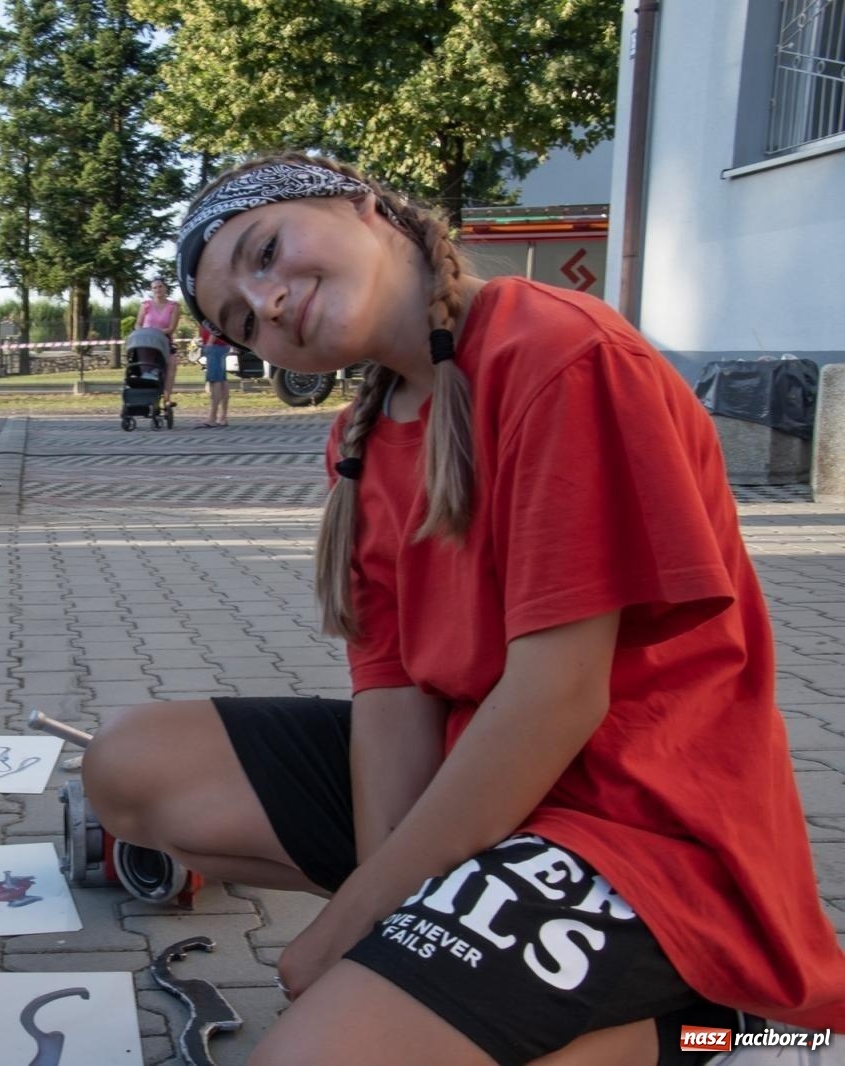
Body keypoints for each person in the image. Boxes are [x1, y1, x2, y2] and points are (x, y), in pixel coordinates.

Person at [83, 155, 845, 1065]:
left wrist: (361, 925)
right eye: (243, 321)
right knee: (130, 766)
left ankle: (727, 1027)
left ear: (368, 206)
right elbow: (394, 696)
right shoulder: (360, 439)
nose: (271, 305)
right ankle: (468, 967)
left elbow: (559, 698)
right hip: (487, 788)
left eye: (268, 252)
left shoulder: (561, 355)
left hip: (643, 825)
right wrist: (388, 909)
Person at [136, 278, 181, 407]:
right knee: (146, 365)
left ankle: (167, 398)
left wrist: (156, 332)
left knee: (171, 363)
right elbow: (138, 324)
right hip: (147, 342)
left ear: (165, 288)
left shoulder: (174, 306)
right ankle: (148, 395)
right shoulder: (146, 305)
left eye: (160, 287)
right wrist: (145, 333)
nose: (158, 290)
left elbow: (171, 328)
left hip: (163, 341)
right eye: (154, 288)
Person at [198, 323, 230, 428]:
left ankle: (213, 417)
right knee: (222, 380)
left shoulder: (207, 308)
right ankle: (223, 417)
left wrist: (209, 342)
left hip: (215, 346)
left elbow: (216, 324)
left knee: (215, 380)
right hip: (221, 344)